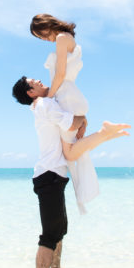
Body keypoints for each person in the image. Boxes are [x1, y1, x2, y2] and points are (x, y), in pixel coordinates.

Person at [12, 76, 130, 268]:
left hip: (53, 176)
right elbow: (71, 123)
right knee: (50, 235)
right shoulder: (45, 104)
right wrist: (83, 117)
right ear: (30, 92)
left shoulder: (42, 105)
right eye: (34, 81)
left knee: (59, 231)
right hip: (48, 175)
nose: (39, 80)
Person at [30, 13, 98, 213]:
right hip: (69, 96)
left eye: (41, 34)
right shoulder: (68, 39)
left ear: (46, 25)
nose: (43, 39)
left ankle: (104, 134)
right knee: (69, 151)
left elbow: (60, 74)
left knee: (68, 152)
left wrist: (50, 98)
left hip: (66, 96)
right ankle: (81, 197)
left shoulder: (61, 38)